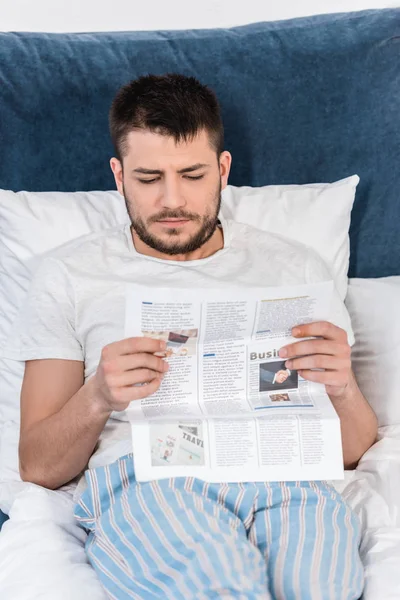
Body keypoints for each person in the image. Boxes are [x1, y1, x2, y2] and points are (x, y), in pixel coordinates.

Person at [5, 73, 378, 599]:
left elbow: (352, 450)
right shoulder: (69, 274)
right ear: (118, 176)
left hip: (289, 482)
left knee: (323, 589)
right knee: (220, 584)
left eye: (193, 174)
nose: (172, 199)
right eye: (149, 177)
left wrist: (342, 389)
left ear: (223, 170)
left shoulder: (295, 266)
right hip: (150, 479)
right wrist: (98, 396)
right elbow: (38, 465)